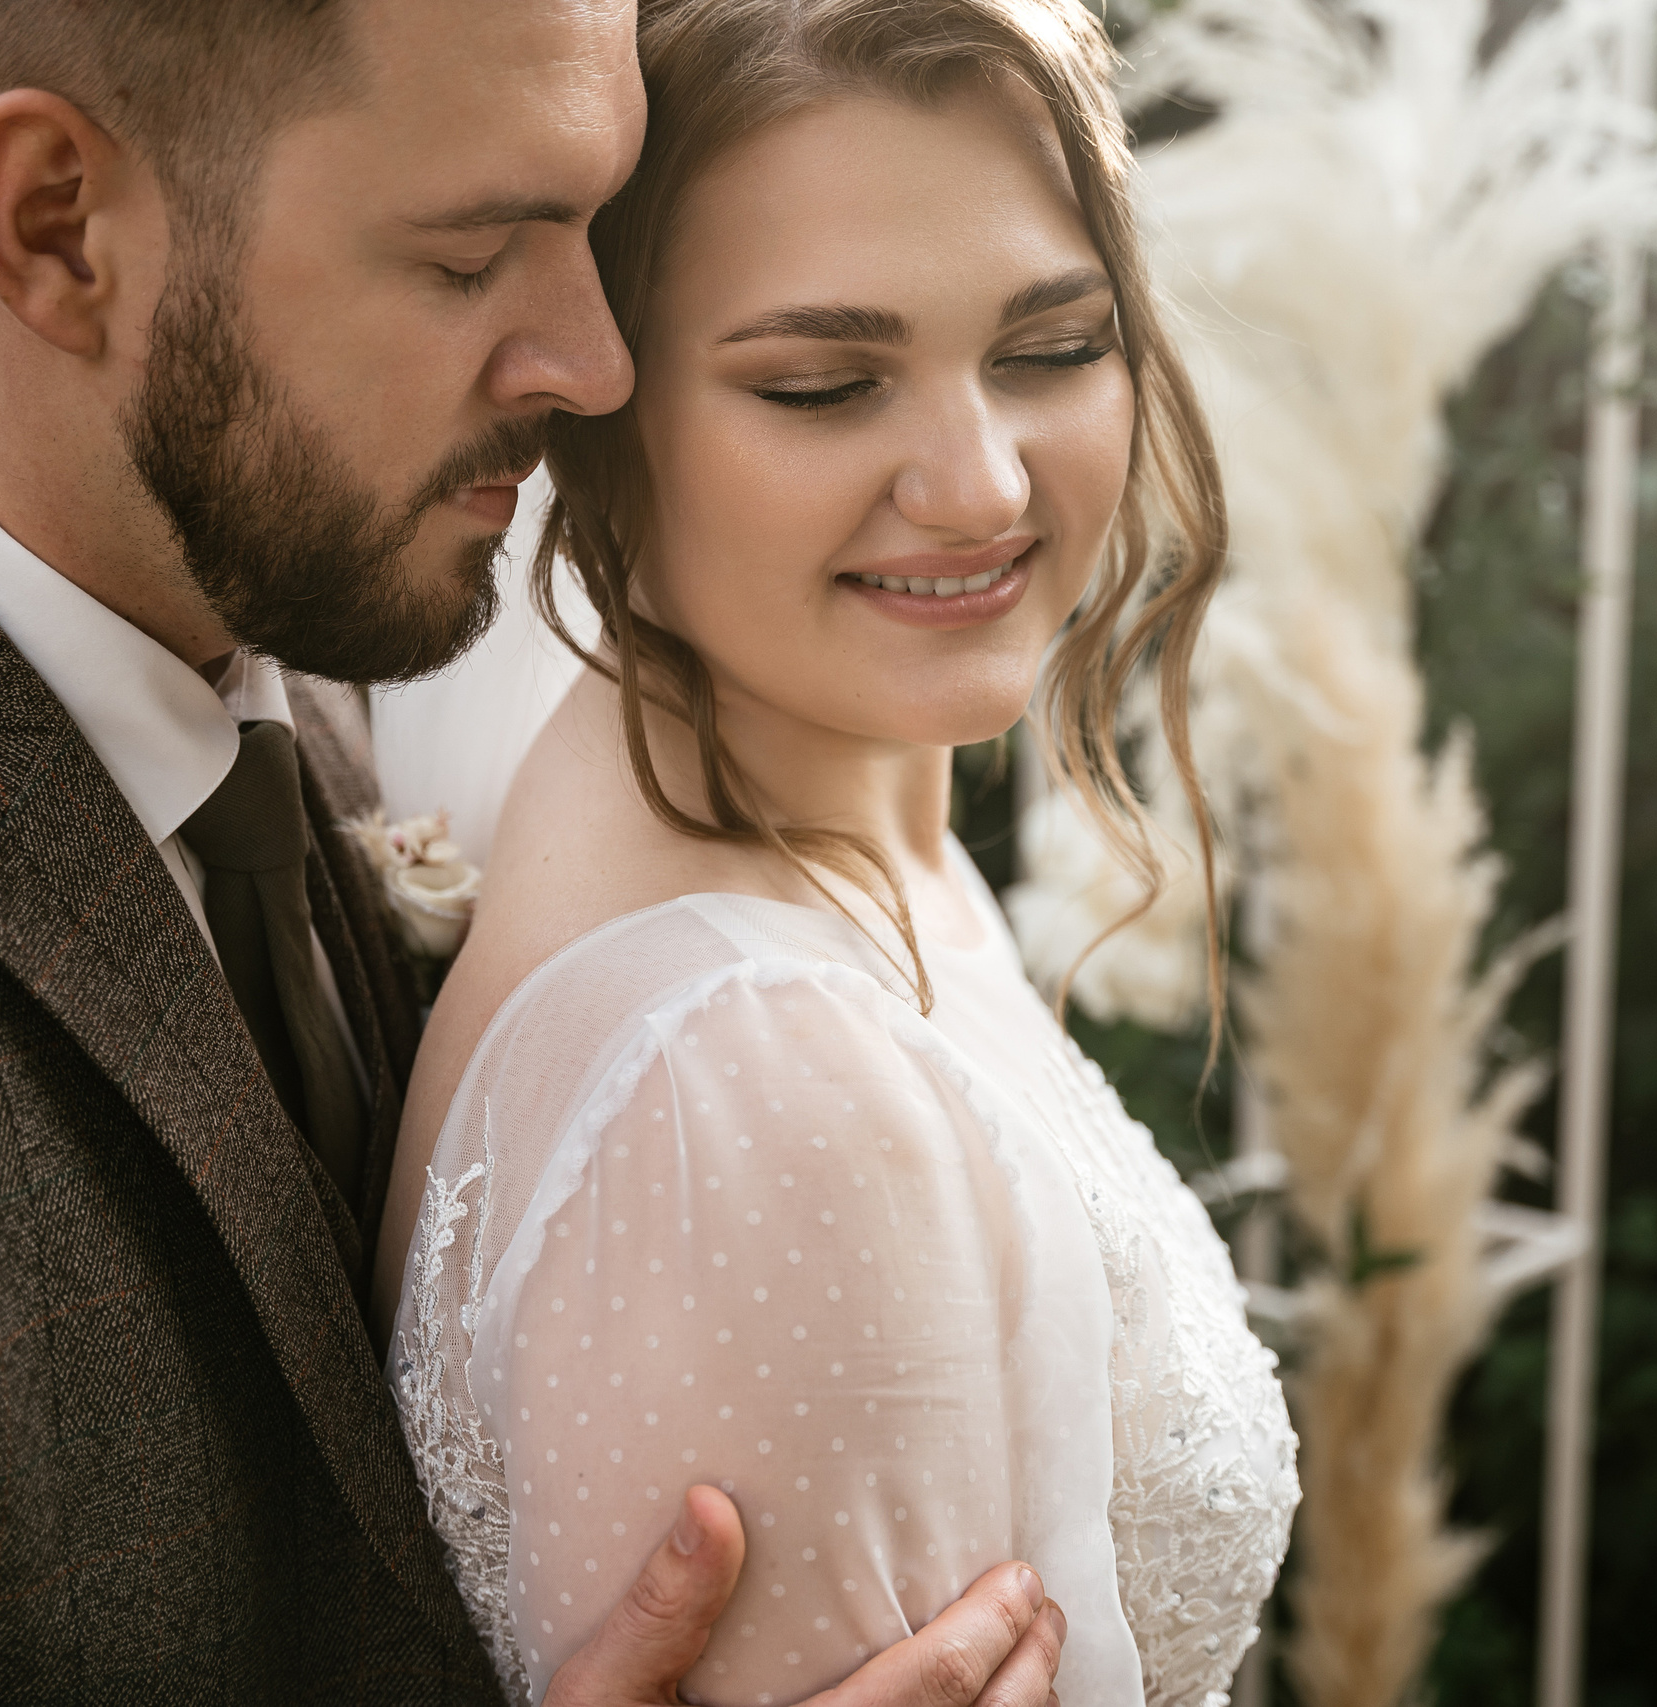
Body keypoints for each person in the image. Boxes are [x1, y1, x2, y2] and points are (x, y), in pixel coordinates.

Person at [0, 1, 1066, 1701]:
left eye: (592, 222)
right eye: (472, 254)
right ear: (57, 224)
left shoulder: (281, 589)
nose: (596, 361)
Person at [381, 2, 1302, 1704]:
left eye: (1048, 349)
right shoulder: (751, 1086)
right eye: (823, 384)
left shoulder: (852, 840)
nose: (977, 483)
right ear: (603, 414)